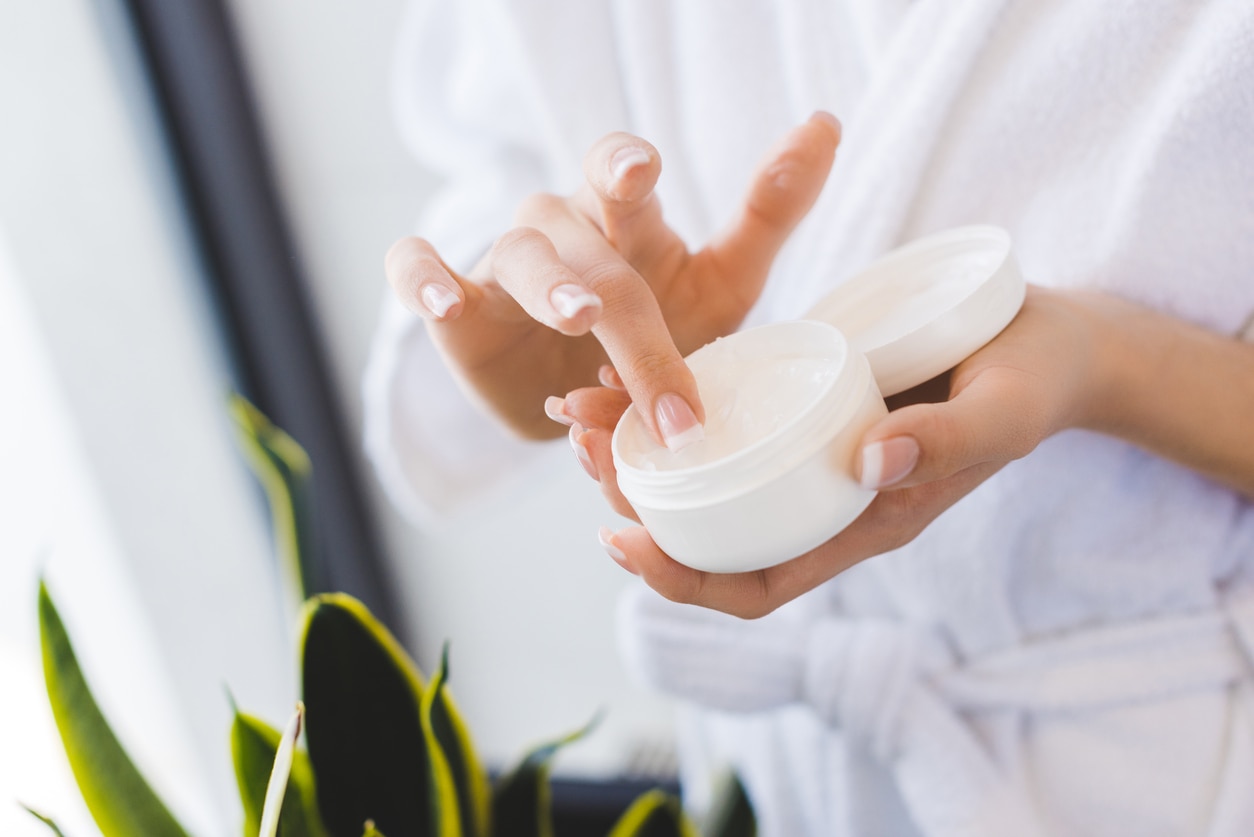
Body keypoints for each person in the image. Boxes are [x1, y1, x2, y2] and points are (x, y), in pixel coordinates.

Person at [364, 0, 1254, 833]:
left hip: (1169, 765)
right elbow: (504, 188)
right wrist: (545, 325)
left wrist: (1110, 360)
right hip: (779, 785)